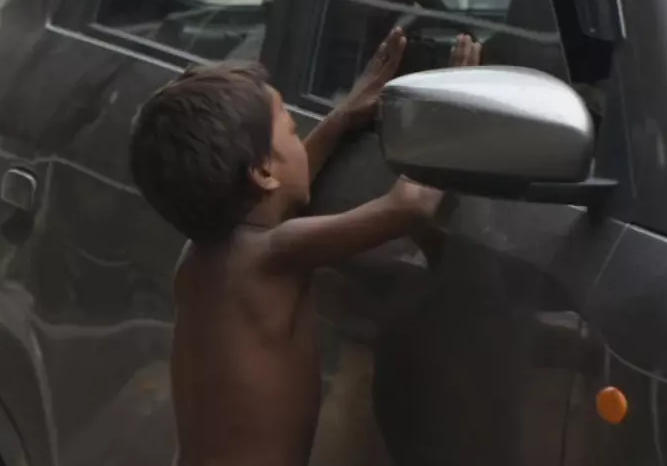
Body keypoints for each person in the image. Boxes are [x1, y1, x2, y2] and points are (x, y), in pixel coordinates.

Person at [129, 29, 480, 466]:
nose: (302, 142)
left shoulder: (201, 258)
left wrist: (343, 117)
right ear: (261, 172)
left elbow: (278, 193)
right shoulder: (275, 254)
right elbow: (413, 204)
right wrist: (451, 109)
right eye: (294, 131)